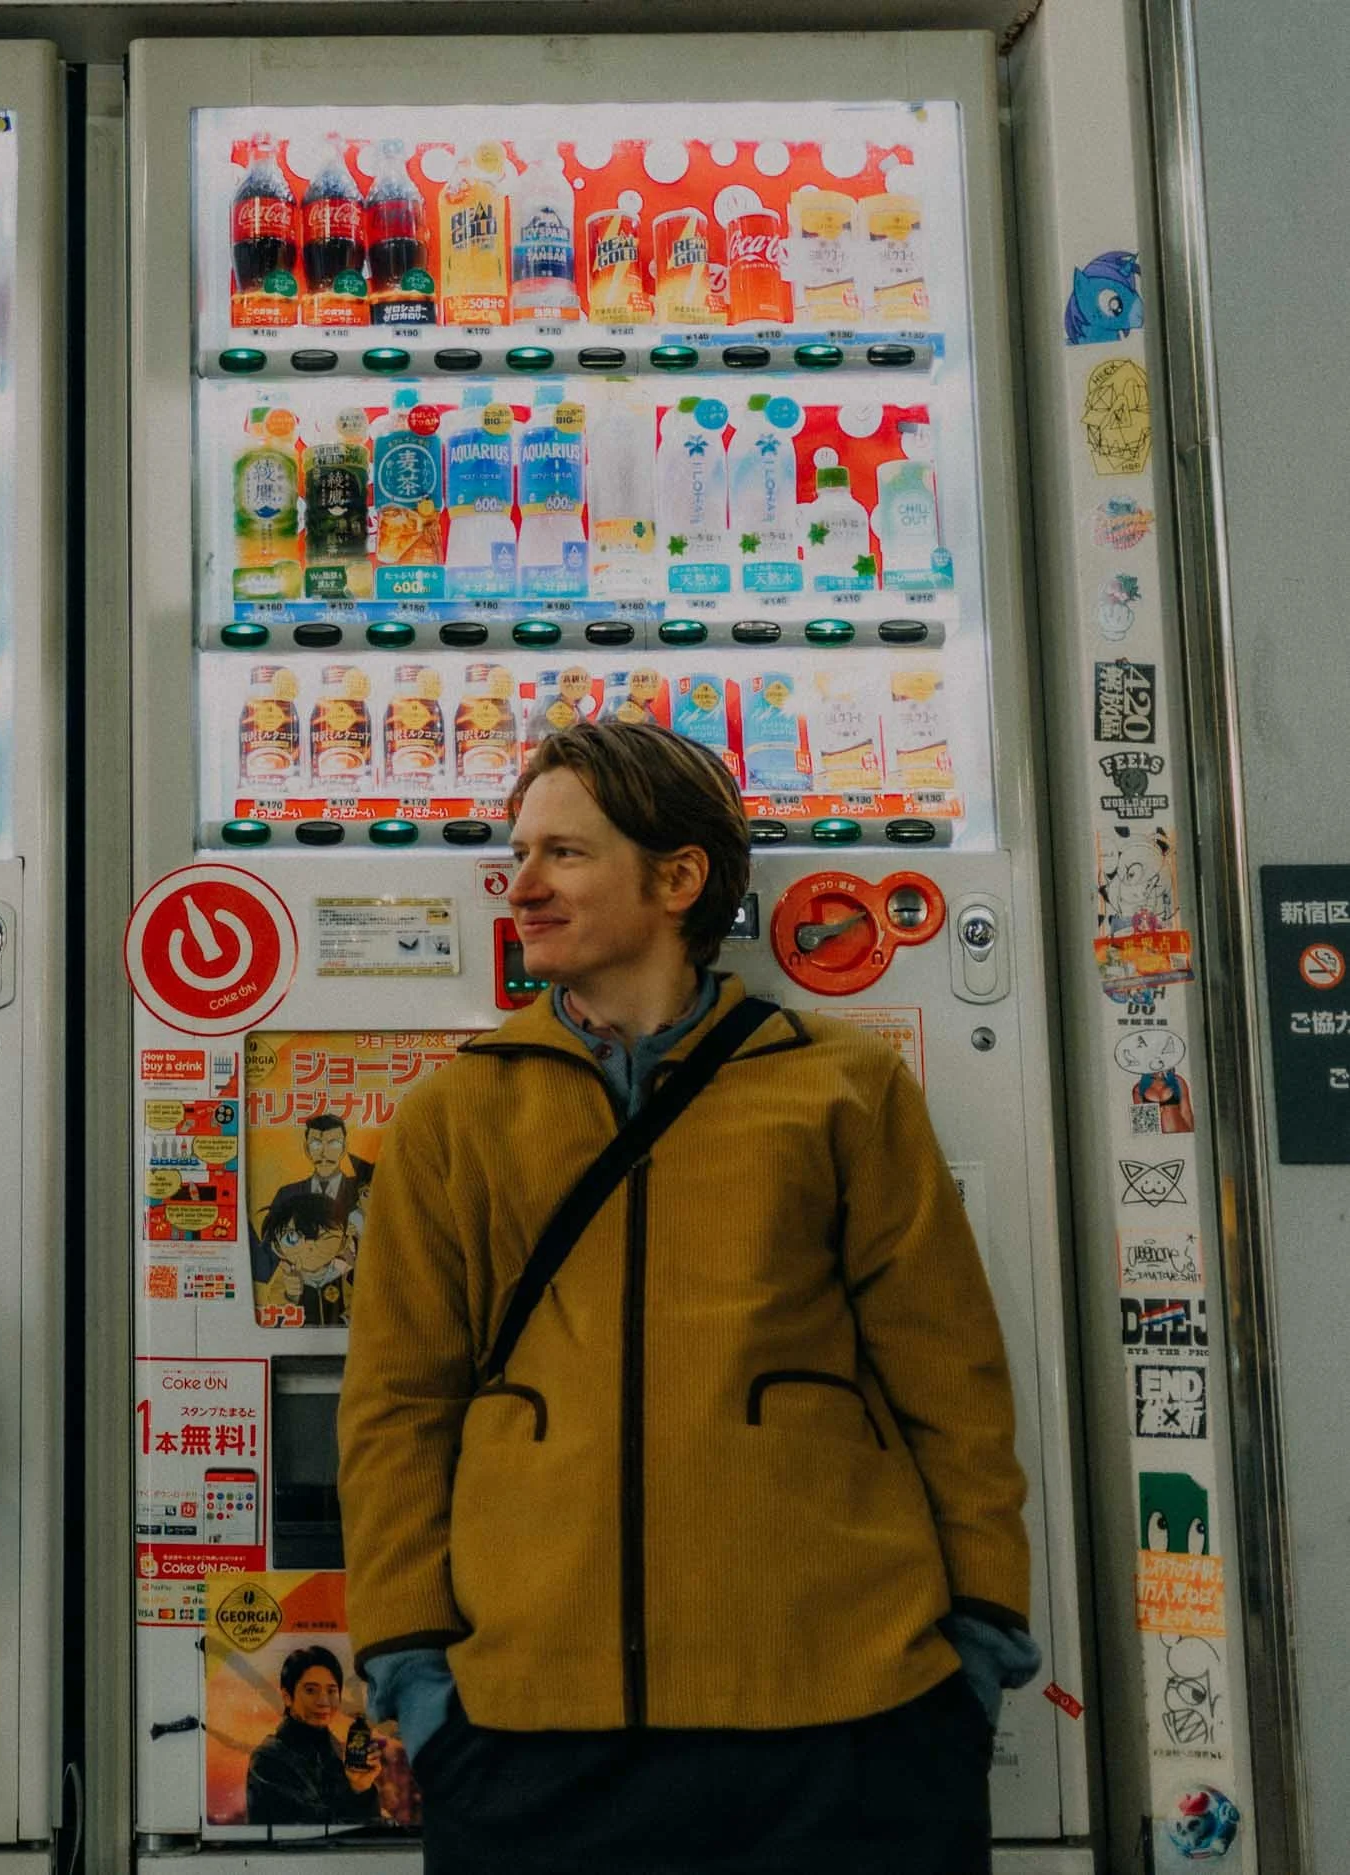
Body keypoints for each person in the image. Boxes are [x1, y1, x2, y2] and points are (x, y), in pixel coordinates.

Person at [336, 720, 1040, 1875]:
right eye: (517, 854)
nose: (519, 887)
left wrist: (976, 1646)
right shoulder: (453, 1118)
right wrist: (416, 1674)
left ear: (678, 877)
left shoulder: (841, 1089)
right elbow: (394, 1411)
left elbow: (950, 1382)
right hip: (527, 1730)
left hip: (847, 1711)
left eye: (562, 854)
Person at [244, 1645, 381, 1825]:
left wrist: (361, 1787)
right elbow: (313, 1829)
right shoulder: (268, 1759)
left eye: (331, 1691)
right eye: (310, 1690)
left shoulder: (336, 1751)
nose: (323, 1701)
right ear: (287, 1697)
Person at [251, 1186, 355, 1327]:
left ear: (344, 1241)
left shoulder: (346, 1274)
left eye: (324, 1236)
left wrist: (344, 1322)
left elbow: (362, 1307)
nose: (309, 1246)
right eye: (292, 1238)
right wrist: (291, 1296)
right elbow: (273, 1314)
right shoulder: (286, 1277)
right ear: (277, 1248)